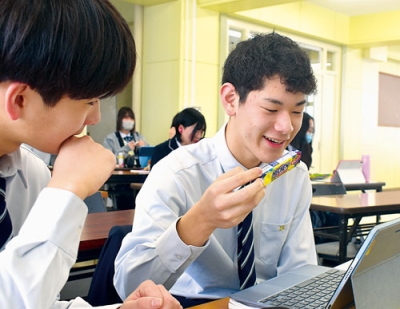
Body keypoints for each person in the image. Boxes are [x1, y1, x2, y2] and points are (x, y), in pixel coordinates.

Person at [114, 32, 318, 307]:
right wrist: (201, 220)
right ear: (231, 99)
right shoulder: (176, 173)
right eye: (271, 108)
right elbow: (129, 286)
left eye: (297, 111)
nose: (287, 127)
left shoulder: (293, 176)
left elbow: (300, 274)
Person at [0, 1, 181, 309]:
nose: (96, 118)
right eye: (89, 101)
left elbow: (37, 301)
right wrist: (67, 190)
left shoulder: (30, 175)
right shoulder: (52, 184)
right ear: (20, 100)